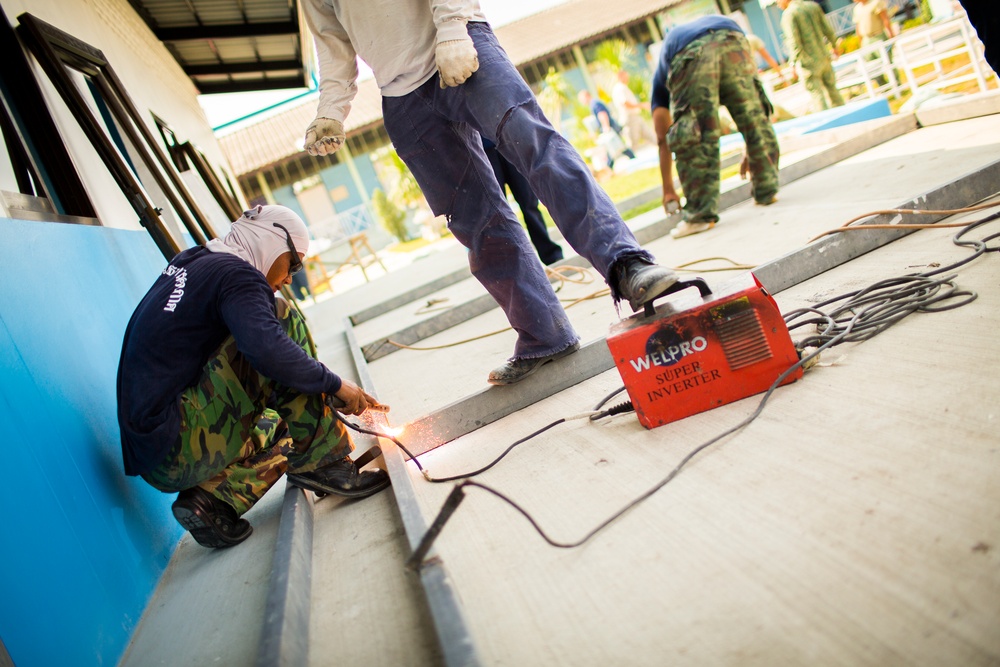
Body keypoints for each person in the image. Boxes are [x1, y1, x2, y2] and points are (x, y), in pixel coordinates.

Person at [300, 0, 678, 386]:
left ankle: (627, 265)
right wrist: (331, 108)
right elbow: (331, 41)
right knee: (472, 217)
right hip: (401, 96)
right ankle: (543, 335)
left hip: (458, 39)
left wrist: (451, 27)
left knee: (536, 147)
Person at [117, 205, 390, 549]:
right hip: (178, 435)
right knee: (280, 318)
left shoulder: (196, 260)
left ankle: (213, 502)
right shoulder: (238, 274)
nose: (291, 277)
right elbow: (268, 351)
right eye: (293, 263)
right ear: (272, 242)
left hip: (160, 458)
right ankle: (329, 462)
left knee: (286, 424)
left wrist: (314, 394)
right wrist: (335, 384)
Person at [651, 15, 780, 238]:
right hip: (733, 35)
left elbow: (663, 139)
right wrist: (753, 149)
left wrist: (668, 190)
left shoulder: (658, 90)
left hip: (691, 50)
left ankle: (700, 216)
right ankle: (767, 190)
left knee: (694, 130)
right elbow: (748, 116)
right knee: (754, 113)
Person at [482, 136, 564, 265]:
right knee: (499, 214)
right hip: (483, 153)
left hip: (506, 143)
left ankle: (550, 254)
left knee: (529, 203)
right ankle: (516, 263)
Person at [776, 0, 846, 111]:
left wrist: (793, 63)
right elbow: (827, 28)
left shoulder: (789, 14)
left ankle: (828, 125)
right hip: (824, 56)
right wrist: (834, 45)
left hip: (808, 63)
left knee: (817, 95)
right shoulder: (813, 6)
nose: (777, 4)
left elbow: (793, 40)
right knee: (833, 91)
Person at [578, 88, 637, 169]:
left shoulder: (595, 104)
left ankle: (611, 167)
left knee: (618, 148)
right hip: (610, 128)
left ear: (587, 96)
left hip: (610, 128)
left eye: (582, 99)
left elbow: (602, 114)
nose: (582, 102)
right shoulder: (594, 104)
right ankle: (612, 166)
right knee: (615, 148)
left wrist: (606, 127)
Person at [611, 70, 658, 152]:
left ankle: (666, 151)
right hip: (630, 118)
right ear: (620, 77)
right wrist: (641, 105)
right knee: (633, 143)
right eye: (625, 76)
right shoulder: (619, 88)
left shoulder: (623, 87)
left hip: (636, 117)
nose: (627, 79)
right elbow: (625, 103)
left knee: (650, 136)